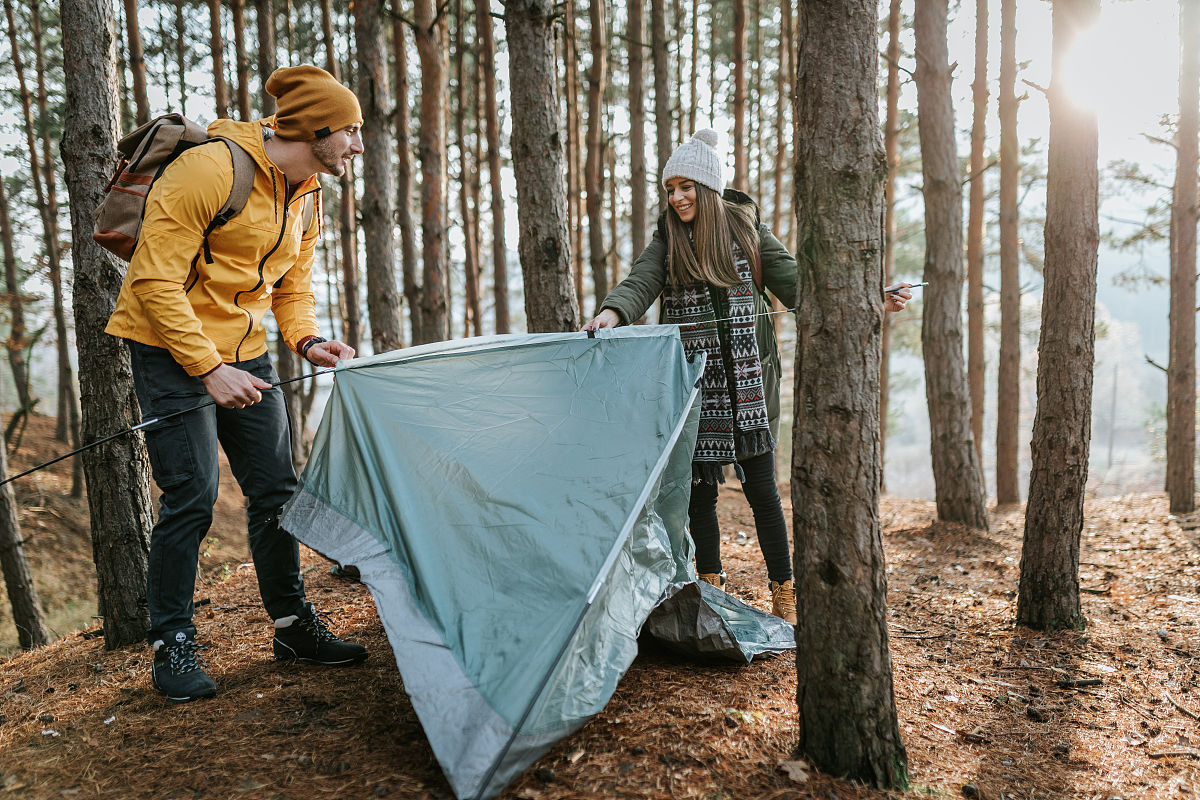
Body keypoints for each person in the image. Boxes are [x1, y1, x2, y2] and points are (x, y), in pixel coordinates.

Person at [105, 65, 369, 703]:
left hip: (246, 353)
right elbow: (153, 282)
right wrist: (207, 368)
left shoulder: (309, 189)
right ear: (315, 128)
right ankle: (172, 645)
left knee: (277, 490)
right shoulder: (207, 173)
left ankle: (290, 624)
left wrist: (306, 340)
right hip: (169, 348)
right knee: (192, 496)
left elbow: (292, 285)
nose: (359, 146)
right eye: (353, 132)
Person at [583, 129, 910, 625]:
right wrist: (612, 314)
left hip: (751, 387)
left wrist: (869, 297)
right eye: (670, 189)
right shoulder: (667, 238)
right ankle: (710, 591)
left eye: (686, 186)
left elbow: (801, 284)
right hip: (695, 390)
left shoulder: (748, 232)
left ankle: (783, 591)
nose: (677, 197)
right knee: (700, 494)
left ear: (708, 187)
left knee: (763, 495)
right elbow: (641, 281)